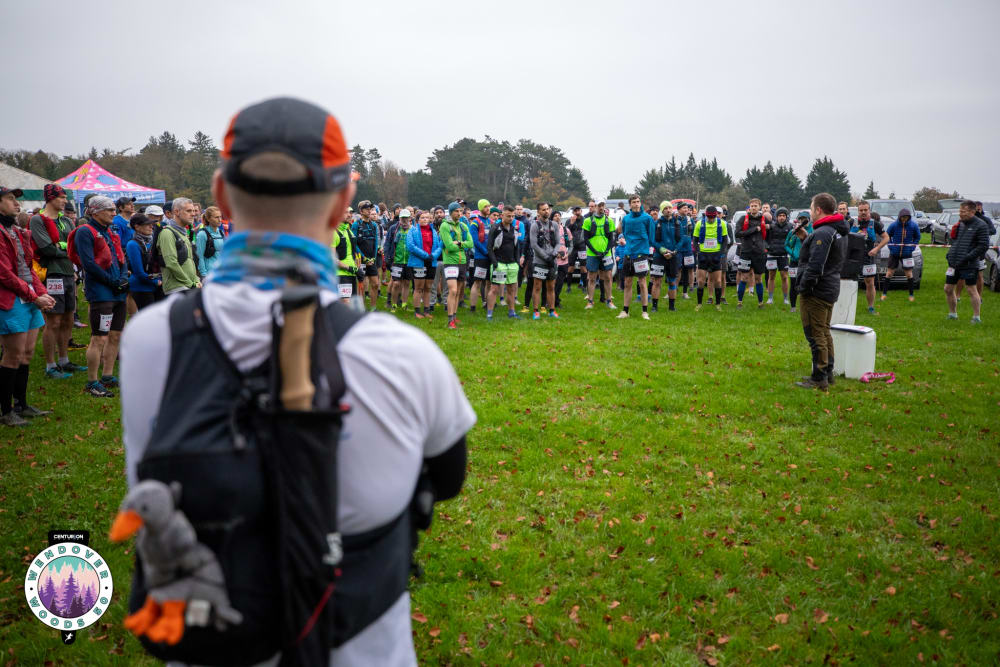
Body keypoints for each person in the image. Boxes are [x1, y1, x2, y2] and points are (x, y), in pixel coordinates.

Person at [120, 97, 474, 666]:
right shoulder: (402, 354)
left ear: (220, 196)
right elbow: (448, 478)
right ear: (343, 202)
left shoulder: (151, 339)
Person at [0, 186, 56, 425]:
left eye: (16, 199)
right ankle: (6, 411)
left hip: (28, 296)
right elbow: (4, 274)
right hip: (10, 299)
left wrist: (41, 292)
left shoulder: (17, 231)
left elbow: (28, 267)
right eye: (10, 199)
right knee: (13, 355)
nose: (16, 204)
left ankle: (21, 404)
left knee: (27, 352)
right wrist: (34, 297)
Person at [74, 195, 128, 397]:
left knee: (116, 335)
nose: (114, 213)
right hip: (101, 292)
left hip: (118, 292)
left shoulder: (110, 231)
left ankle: (107, 375)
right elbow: (88, 264)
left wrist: (123, 278)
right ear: (96, 212)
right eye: (110, 210)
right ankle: (92, 381)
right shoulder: (85, 231)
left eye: (114, 209)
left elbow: (121, 258)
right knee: (99, 337)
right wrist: (112, 281)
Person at [30, 184, 86, 379]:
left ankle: (64, 360)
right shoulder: (38, 220)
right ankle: (50, 365)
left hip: (69, 273)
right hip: (52, 274)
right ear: (51, 198)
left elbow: (75, 244)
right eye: (61, 197)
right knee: (53, 320)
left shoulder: (66, 220)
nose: (64, 201)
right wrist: (66, 250)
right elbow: (46, 248)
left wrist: (62, 248)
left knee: (68, 318)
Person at [795, 193, 848, 390]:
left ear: (818, 209)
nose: (810, 212)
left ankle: (819, 377)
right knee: (824, 331)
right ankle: (827, 372)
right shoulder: (835, 230)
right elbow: (826, 255)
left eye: (811, 208)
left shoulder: (824, 233)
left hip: (817, 290)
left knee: (815, 333)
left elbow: (816, 265)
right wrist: (806, 239)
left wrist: (804, 287)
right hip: (829, 286)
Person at [945, 200, 990, 323]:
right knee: (948, 288)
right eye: (960, 211)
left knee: (971, 289)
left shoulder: (981, 225)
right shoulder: (960, 224)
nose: (960, 214)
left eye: (963, 211)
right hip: (954, 263)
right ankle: (952, 314)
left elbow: (983, 246)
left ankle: (976, 317)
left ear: (972, 211)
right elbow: (955, 242)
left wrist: (968, 257)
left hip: (969, 264)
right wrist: (950, 254)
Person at [616, 195, 653, 319]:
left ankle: (645, 311)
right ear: (630, 205)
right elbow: (623, 233)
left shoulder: (647, 218)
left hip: (641, 254)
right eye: (634, 202)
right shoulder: (626, 218)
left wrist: (644, 248)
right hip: (628, 254)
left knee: (642, 282)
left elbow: (651, 236)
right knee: (627, 283)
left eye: (638, 201)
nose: (636, 204)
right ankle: (625, 311)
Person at [439, 202, 473, 329]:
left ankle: (454, 315)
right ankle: (450, 321)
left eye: (460, 211)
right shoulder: (445, 225)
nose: (459, 214)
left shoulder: (463, 225)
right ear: (451, 212)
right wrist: (462, 244)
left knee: (458, 291)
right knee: (452, 290)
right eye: (456, 211)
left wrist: (459, 243)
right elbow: (449, 246)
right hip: (450, 262)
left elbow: (471, 243)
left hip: (462, 261)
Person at [850, 200, 888, 314]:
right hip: (853, 257)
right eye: (861, 210)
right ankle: (848, 306)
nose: (863, 212)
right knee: (850, 282)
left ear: (869, 210)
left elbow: (886, 238)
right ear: (858, 211)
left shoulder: (875, 223)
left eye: (865, 210)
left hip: (868, 257)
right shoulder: (851, 222)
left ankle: (871, 307)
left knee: (870, 282)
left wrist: (877, 248)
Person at [157, 197, 200, 295]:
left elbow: (190, 260)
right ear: (176, 212)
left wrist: (196, 280)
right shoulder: (167, 233)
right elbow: (171, 263)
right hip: (177, 288)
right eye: (189, 211)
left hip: (188, 286)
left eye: (194, 211)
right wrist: (191, 284)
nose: (193, 214)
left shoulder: (182, 233)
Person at [486, 205, 521, 320]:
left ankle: (512, 312)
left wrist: (517, 261)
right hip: (499, 263)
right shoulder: (495, 228)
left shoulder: (514, 229)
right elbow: (489, 247)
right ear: (502, 215)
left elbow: (517, 247)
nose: (511, 218)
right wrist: (495, 263)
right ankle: (489, 314)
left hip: (512, 264)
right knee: (494, 289)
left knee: (511, 289)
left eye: (513, 216)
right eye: (508, 216)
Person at [407, 209, 442, 319]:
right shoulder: (412, 231)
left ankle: (426, 311)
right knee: (419, 288)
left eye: (427, 217)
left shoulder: (433, 231)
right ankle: (417, 311)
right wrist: (425, 255)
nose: (425, 219)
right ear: (417, 220)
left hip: (431, 262)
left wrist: (433, 256)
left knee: (428, 287)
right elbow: (411, 246)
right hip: (419, 262)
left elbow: (439, 246)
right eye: (422, 218)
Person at [528, 202, 561, 319]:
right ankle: (536, 311)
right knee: (537, 286)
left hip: (552, 260)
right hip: (540, 261)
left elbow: (558, 242)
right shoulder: (535, 225)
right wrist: (546, 257)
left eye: (547, 209)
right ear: (538, 212)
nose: (546, 211)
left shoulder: (554, 225)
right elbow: (534, 244)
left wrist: (553, 255)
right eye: (543, 209)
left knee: (551, 287)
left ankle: (552, 310)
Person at [693, 205, 728, 311]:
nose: (711, 219)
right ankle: (699, 304)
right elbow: (695, 240)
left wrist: (721, 253)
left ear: (716, 215)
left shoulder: (722, 223)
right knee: (700, 281)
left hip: (715, 254)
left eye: (713, 217)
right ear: (706, 215)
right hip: (703, 254)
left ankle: (718, 304)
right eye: (709, 217)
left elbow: (725, 240)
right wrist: (699, 252)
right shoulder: (699, 223)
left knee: (718, 281)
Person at [583, 199, 616, 310]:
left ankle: (609, 301)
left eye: (603, 205)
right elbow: (586, 239)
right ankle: (590, 301)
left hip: (606, 254)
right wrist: (595, 251)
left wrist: (606, 251)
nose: (601, 208)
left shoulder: (609, 220)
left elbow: (611, 239)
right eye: (599, 205)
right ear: (595, 206)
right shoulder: (588, 221)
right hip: (592, 254)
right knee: (592, 277)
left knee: (608, 277)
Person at [125, 213, 162, 310]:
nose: (151, 227)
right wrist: (156, 282)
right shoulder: (132, 244)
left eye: (151, 224)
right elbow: (138, 272)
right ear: (137, 227)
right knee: (150, 317)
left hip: (157, 284)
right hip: (142, 287)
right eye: (147, 224)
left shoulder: (153, 240)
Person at [651, 201, 683, 312]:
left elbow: (681, 240)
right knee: (657, 281)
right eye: (665, 208)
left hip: (673, 256)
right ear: (662, 210)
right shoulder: (657, 223)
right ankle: (654, 306)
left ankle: (672, 307)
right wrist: (662, 250)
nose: (668, 210)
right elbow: (652, 240)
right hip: (659, 256)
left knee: (672, 281)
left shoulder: (677, 223)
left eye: (670, 208)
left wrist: (674, 252)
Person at [882, 208, 920, 302]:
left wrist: (912, 247)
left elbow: (917, 237)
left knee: (909, 274)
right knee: (889, 273)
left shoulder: (914, 225)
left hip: (907, 254)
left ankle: (911, 295)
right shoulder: (893, 225)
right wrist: (891, 247)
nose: (904, 219)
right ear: (899, 217)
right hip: (894, 253)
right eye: (903, 217)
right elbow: (887, 236)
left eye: (906, 217)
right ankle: (884, 294)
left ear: (909, 217)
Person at [735, 198, 767, 308]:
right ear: (749, 207)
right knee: (744, 277)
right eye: (752, 206)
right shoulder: (743, 218)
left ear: (759, 207)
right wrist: (754, 229)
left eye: (755, 206)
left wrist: (767, 246)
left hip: (759, 252)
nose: (753, 208)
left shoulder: (764, 219)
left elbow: (771, 230)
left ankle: (760, 303)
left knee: (758, 278)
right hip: (746, 252)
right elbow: (737, 234)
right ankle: (739, 302)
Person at [352, 200, 383, 311]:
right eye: (367, 209)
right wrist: (364, 258)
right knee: (362, 285)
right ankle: (362, 309)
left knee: (375, 284)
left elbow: (376, 242)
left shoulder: (374, 225)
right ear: (361, 211)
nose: (369, 211)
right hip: (360, 259)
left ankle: (373, 308)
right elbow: (354, 244)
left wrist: (373, 258)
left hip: (371, 259)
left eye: (370, 209)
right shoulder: (356, 225)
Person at [467, 199, 493, 313]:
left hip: (490, 256)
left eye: (489, 206)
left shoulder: (491, 222)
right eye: (486, 206)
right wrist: (486, 252)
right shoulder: (475, 223)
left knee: (489, 282)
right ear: (481, 208)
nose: (488, 208)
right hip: (480, 257)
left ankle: (486, 304)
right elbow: (475, 241)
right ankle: (472, 308)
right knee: (477, 282)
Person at [785, 212, 813, 313]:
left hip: (807, 262)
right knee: (793, 284)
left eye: (805, 219)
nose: (803, 220)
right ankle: (793, 307)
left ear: (809, 219)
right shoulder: (794, 230)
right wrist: (792, 254)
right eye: (801, 219)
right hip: (794, 261)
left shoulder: (813, 230)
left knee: (807, 284)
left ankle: (806, 306)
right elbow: (786, 244)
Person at [765, 207, 792, 305]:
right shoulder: (771, 226)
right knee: (771, 276)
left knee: (784, 277)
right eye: (780, 215)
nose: (782, 217)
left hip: (784, 255)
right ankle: (770, 298)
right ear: (776, 217)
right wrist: (767, 247)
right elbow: (765, 238)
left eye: (783, 215)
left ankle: (785, 299)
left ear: (786, 217)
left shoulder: (790, 227)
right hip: (772, 254)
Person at [333, 207, 360, 303]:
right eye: (345, 212)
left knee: (353, 303)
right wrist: (350, 268)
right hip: (341, 274)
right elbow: (332, 259)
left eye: (351, 212)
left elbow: (353, 253)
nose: (349, 215)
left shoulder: (349, 231)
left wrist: (356, 268)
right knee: (346, 303)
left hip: (352, 273)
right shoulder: (334, 233)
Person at [387, 208, 412, 312]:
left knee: (407, 283)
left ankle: (404, 304)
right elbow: (388, 243)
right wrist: (388, 257)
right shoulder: (394, 228)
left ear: (410, 218)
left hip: (409, 261)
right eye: (402, 218)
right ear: (399, 218)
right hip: (397, 260)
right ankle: (393, 304)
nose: (404, 220)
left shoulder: (413, 229)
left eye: (406, 218)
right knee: (396, 283)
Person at [195, 205, 226, 279]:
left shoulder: (221, 233)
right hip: (209, 273)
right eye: (216, 217)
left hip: (221, 272)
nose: (220, 220)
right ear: (208, 219)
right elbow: (200, 256)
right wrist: (204, 274)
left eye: (220, 217)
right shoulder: (202, 234)